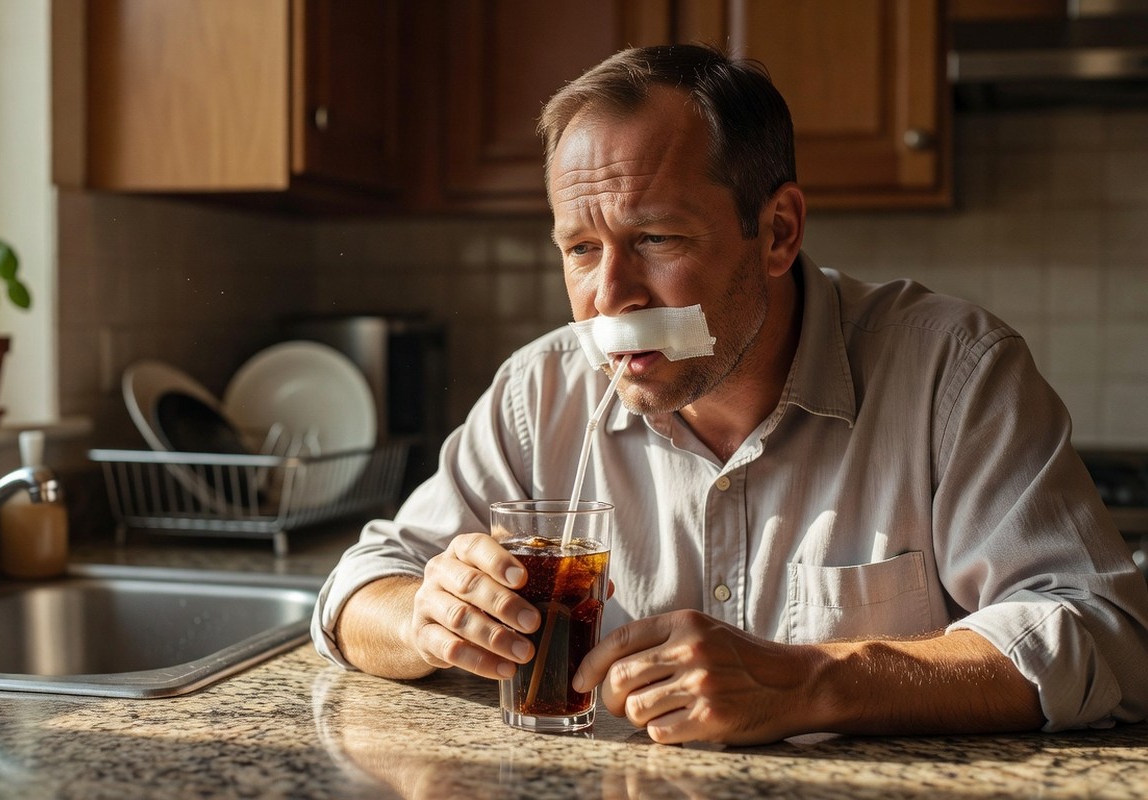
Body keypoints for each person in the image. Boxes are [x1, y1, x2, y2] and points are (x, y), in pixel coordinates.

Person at [312, 44, 1148, 745]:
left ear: (779, 230)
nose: (610, 296)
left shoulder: (952, 373)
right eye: (580, 249)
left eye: (655, 239)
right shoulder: (542, 390)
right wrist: (427, 617)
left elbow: (1105, 635)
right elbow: (356, 589)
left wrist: (819, 680)